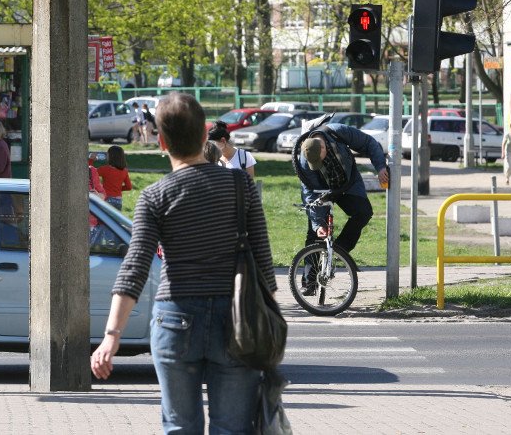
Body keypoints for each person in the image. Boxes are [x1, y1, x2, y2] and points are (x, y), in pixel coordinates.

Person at [90, 92, 275, 433]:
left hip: (175, 319)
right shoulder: (241, 186)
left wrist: (111, 336)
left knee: (179, 426)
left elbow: (135, 267)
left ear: (161, 142)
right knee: (233, 428)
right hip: (234, 321)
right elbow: (263, 262)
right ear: (206, 137)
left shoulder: (155, 196)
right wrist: (267, 327)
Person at [295, 122, 388, 256]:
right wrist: (318, 224)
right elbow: (309, 191)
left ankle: (339, 252)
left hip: (348, 183)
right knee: (317, 231)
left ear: (323, 147)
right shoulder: (306, 158)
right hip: (322, 190)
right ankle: (311, 269)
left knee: (363, 212)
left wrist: (380, 167)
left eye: (318, 161)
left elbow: (369, 143)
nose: (317, 164)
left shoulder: (338, 132)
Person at [97, 145, 132, 210]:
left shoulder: (104, 169)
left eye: (107, 154)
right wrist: (117, 188)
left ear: (111, 156)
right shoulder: (124, 171)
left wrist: (91, 160)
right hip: (118, 201)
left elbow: (90, 172)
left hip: (107, 199)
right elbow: (129, 187)